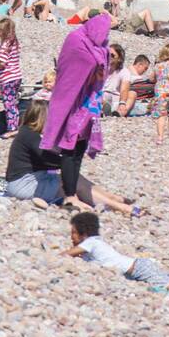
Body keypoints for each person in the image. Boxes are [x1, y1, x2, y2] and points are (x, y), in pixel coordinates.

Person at [40, 13, 110, 207]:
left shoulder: (101, 47)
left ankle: (70, 191)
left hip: (88, 105)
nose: (102, 35)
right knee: (69, 148)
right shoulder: (76, 40)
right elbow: (72, 66)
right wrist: (95, 63)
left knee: (78, 149)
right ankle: (70, 194)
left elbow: (101, 71)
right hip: (71, 102)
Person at [65, 210, 169, 283]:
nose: (71, 237)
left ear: (83, 233)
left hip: (137, 268)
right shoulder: (91, 247)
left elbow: (66, 255)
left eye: (73, 233)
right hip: (136, 269)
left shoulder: (90, 242)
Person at [0, 16, 22, 136]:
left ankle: (12, 129)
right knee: (13, 103)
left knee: (9, 104)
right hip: (17, 76)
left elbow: (2, 62)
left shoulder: (5, 46)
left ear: (3, 32)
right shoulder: (14, 41)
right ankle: (16, 124)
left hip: (8, 78)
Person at [151, 41, 169, 143]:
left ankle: (160, 137)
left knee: (161, 115)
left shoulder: (157, 65)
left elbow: (153, 78)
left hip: (159, 91)